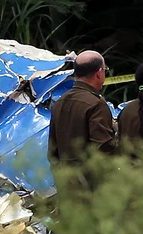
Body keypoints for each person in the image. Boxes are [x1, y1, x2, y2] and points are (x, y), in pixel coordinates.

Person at [48, 51, 118, 193]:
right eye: (105, 70)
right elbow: (104, 148)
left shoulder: (60, 103)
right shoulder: (96, 104)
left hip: (67, 186)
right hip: (92, 188)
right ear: (99, 72)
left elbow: (53, 151)